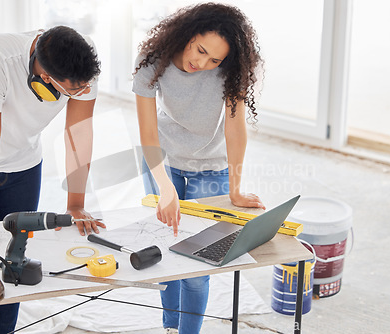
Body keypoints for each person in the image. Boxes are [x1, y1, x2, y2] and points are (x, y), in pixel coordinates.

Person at [0, 25, 104, 334]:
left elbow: (78, 135)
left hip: (23, 163)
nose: (82, 94)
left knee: (16, 260)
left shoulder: (81, 66)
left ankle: (6, 331)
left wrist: (75, 205)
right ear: (44, 79)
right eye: (73, 92)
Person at [132, 3, 265, 333]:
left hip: (211, 167)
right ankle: (169, 327)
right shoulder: (152, 61)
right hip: (163, 161)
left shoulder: (231, 70)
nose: (201, 63)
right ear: (188, 34)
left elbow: (235, 128)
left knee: (198, 264)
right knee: (167, 250)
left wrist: (234, 188)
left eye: (213, 60)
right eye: (201, 50)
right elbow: (147, 134)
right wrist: (164, 187)